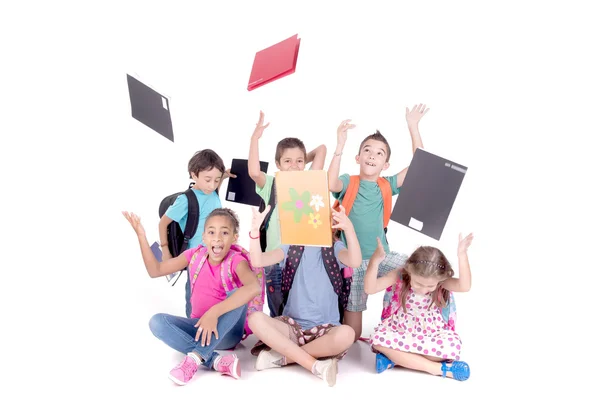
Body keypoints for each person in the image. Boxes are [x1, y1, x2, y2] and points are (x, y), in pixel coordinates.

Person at [123, 208, 261, 385]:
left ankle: (195, 358)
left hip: (227, 333)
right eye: (211, 232)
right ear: (203, 237)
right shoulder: (195, 254)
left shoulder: (236, 260)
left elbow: (253, 287)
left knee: (240, 293)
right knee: (156, 321)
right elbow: (155, 270)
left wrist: (214, 312)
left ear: (234, 238)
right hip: (200, 329)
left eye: (224, 233)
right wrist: (141, 235)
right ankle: (216, 361)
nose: (217, 238)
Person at [327, 104, 429, 341]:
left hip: (380, 256)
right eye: (367, 150)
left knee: (416, 267)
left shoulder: (387, 184)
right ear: (358, 157)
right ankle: (336, 322)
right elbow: (331, 184)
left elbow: (421, 164)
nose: (372, 155)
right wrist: (339, 145)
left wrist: (413, 126)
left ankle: (401, 322)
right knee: (353, 334)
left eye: (379, 153)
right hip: (352, 261)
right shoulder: (348, 181)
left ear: (386, 165)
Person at [246, 204, 361, 387]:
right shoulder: (289, 248)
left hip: (326, 330)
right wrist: (254, 232)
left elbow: (355, 261)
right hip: (292, 328)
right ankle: (314, 364)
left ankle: (284, 358)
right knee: (254, 319)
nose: (313, 225)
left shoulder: (335, 248)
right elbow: (258, 260)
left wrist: (349, 229)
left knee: (347, 334)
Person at [248, 111, 327, 317]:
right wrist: (254, 138)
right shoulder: (272, 184)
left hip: (301, 260)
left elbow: (322, 149)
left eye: (299, 161)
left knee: (298, 309)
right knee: (278, 311)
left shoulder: (309, 183)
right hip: (274, 261)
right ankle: (277, 339)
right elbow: (254, 172)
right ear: (278, 165)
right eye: (287, 161)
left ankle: (296, 339)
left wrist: (300, 163)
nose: (294, 165)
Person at [365, 233, 474, 381]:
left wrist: (462, 255)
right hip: (400, 329)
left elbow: (464, 286)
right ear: (409, 271)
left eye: (430, 286)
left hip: (431, 332)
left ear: (439, 280)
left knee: (451, 348)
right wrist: (374, 262)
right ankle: (438, 369)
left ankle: (395, 359)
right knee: (377, 340)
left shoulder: (441, 282)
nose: (423, 290)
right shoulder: (401, 275)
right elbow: (370, 289)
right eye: (418, 283)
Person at [158, 149, 235, 317]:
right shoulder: (185, 200)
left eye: (216, 180)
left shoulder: (213, 192)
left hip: (217, 254)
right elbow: (163, 223)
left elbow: (213, 191)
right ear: (194, 175)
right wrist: (165, 251)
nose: (212, 185)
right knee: (195, 297)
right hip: (197, 258)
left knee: (217, 293)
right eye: (207, 180)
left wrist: (224, 177)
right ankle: (193, 325)